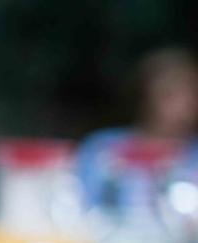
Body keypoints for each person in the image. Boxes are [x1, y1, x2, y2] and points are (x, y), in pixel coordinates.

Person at [78, 48, 198, 207]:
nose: (185, 104)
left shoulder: (194, 155)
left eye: (192, 94)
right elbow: (80, 205)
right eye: (171, 95)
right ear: (146, 96)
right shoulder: (103, 148)